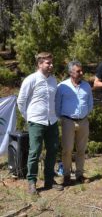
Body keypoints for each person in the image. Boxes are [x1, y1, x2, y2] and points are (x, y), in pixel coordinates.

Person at [17, 52, 63, 194]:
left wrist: (55, 116)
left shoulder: (53, 80)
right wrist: (29, 117)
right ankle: (32, 182)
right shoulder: (31, 80)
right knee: (35, 152)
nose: (51, 65)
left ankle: (49, 181)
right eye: (48, 63)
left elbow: (54, 101)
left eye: (51, 62)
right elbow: (21, 101)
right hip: (36, 121)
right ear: (40, 64)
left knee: (53, 150)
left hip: (52, 121)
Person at [55, 60, 93, 185]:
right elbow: (57, 105)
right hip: (68, 121)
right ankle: (66, 175)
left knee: (81, 150)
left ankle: (80, 175)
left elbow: (90, 103)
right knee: (67, 150)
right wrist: (63, 119)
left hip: (83, 121)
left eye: (81, 70)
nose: (81, 73)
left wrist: (85, 114)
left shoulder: (86, 86)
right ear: (71, 72)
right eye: (78, 71)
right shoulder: (62, 87)